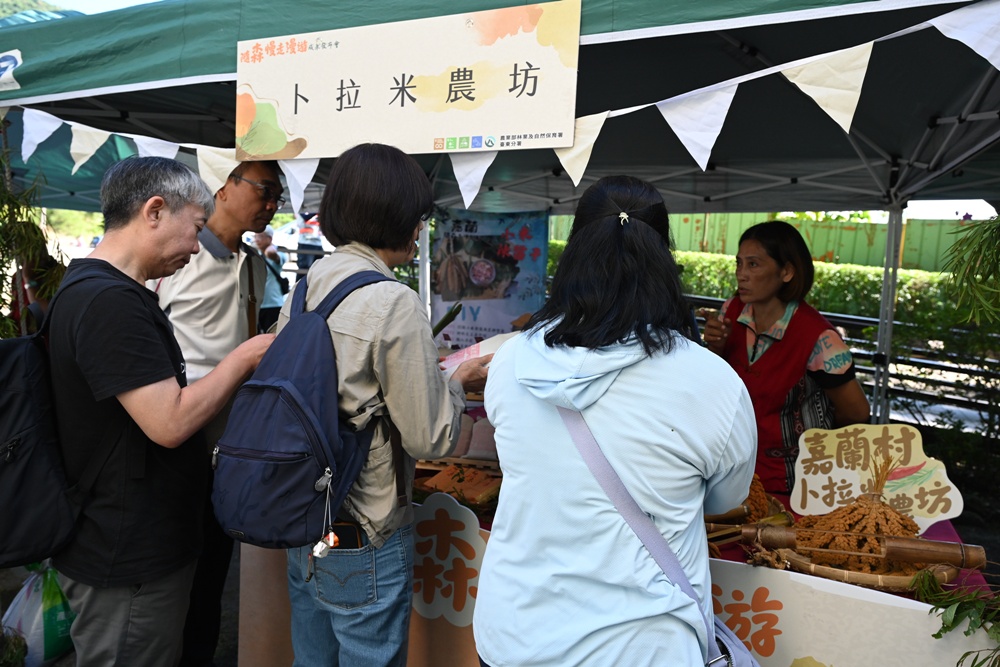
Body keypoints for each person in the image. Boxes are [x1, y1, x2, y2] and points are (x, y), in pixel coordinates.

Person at [473, 175, 758, 666]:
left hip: (515, 638)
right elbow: (726, 499)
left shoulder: (510, 362)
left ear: (575, 255)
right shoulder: (715, 382)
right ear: (664, 258)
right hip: (643, 649)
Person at [46, 156, 273, 667]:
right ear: (153, 211)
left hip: (130, 538)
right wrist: (246, 355)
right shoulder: (110, 303)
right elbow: (168, 422)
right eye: (194, 228)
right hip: (126, 552)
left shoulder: (101, 291)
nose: (197, 247)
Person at [281, 143, 490, 667]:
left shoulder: (304, 290)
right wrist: (459, 382)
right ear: (397, 217)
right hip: (363, 528)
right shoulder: (392, 301)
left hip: (303, 516)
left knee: (312, 657)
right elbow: (432, 437)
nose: (421, 229)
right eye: (418, 216)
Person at [150, 159, 283, 667]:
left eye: (277, 196)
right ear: (224, 186)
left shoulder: (254, 265)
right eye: (264, 190)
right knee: (169, 582)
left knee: (209, 576)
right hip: (171, 438)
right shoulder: (171, 260)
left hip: (227, 450)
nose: (271, 205)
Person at [703, 220, 871, 495]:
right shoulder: (730, 312)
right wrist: (716, 347)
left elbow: (856, 412)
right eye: (739, 264)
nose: (741, 274)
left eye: (754, 264)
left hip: (796, 485)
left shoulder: (819, 338)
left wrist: (819, 450)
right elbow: (716, 386)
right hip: (731, 473)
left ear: (787, 272)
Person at [254, 224, 288, 333]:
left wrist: (271, 248)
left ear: (269, 238)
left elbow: (273, 254)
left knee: (273, 337)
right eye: (255, 237)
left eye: (260, 237)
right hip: (258, 304)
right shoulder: (255, 255)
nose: (257, 240)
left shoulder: (279, 254)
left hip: (273, 304)